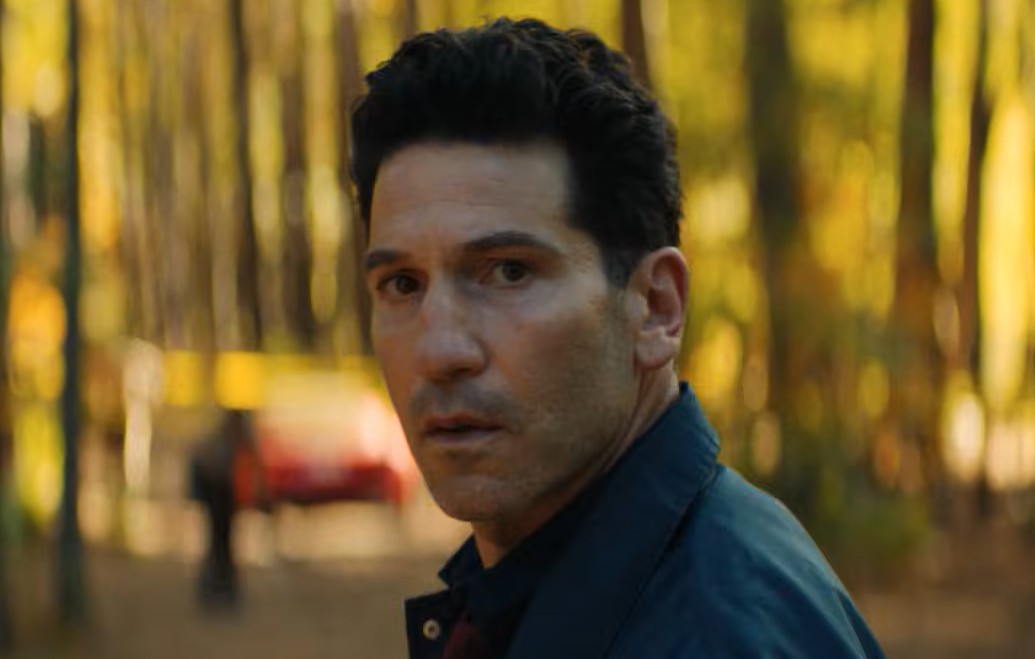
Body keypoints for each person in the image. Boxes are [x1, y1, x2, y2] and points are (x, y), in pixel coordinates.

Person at [350, 17, 885, 659]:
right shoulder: (559, 587)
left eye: (509, 272)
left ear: (656, 308)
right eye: (402, 284)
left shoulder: (716, 634)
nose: (439, 352)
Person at [189, 408, 268, 609]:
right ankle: (217, 587)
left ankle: (220, 587)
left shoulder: (222, 431)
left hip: (222, 490)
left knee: (221, 541)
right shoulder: (223, 432)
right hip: (218, 490)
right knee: (219, 541)